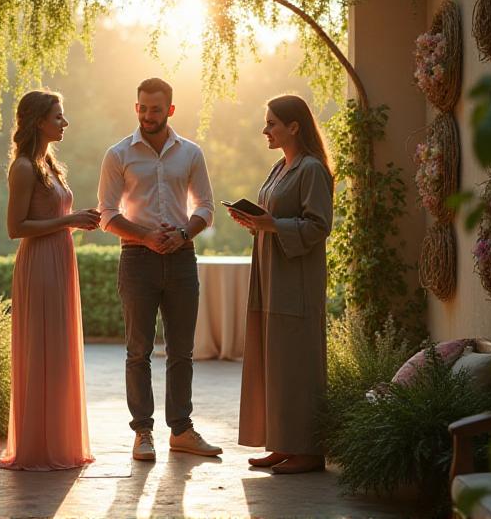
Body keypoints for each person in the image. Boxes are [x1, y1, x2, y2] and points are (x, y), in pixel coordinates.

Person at [97, 77, 222, 462]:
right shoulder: (118, 154)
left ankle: (181, 431)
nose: (148, 115)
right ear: (136, 108)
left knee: (182, 351)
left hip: (182, 259)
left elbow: (205, 207)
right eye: (142, 108)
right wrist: (147, 236)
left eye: (156, 109)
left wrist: (183, 233)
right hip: (136, 259)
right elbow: (107, 214)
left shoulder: (191, 153)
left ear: (170, 110)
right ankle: (143, 433)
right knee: (138, 351)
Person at [227, 94, 333, 474]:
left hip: (296, 285)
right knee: (275, 362)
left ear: (294, 126)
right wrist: (257, 222)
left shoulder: (312, 170)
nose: (265, 129)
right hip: (270, 279)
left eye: (272, 123)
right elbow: (273, 218)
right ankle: (283, 443)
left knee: (298, 364)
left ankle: (308, 450)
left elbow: (319, 226)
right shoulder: (280, 167)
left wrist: (272, 225)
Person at [0, 90, 100, 471]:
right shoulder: (23, 167)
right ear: (39, 120)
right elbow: (14, 228)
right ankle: (38, 446)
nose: (64, 123)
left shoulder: (49, 164)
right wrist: (70, 221)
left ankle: (61, 439)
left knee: (59, 352)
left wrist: (81, 218)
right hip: (39, 264)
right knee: (43, 350)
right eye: (58, 116)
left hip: (60, 259)